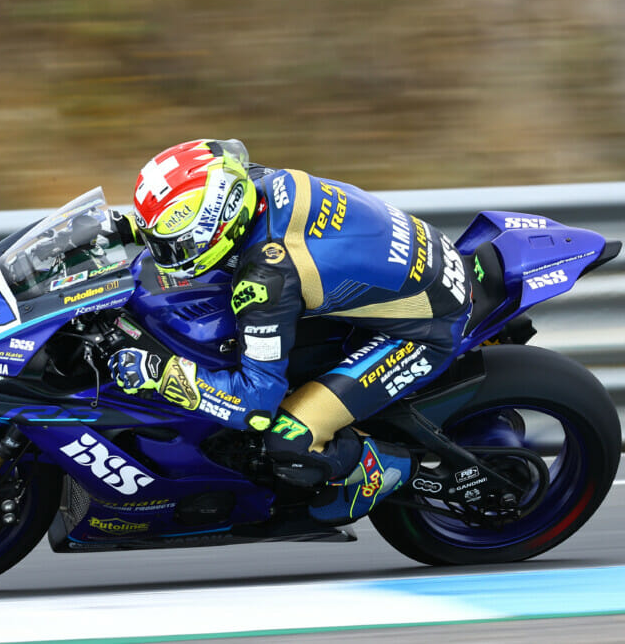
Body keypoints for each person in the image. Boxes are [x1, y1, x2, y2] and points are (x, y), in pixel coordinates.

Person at [107, 139, 471, 523]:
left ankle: (388, 469)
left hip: (425, 328)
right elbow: (191, 208)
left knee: (288, 439)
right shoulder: (251, 183)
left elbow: (254, 405)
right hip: (426, 257)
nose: (168, 256)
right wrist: (129, 227)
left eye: (174, 246)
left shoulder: (267, 277)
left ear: (220, 221)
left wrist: (160, 374)